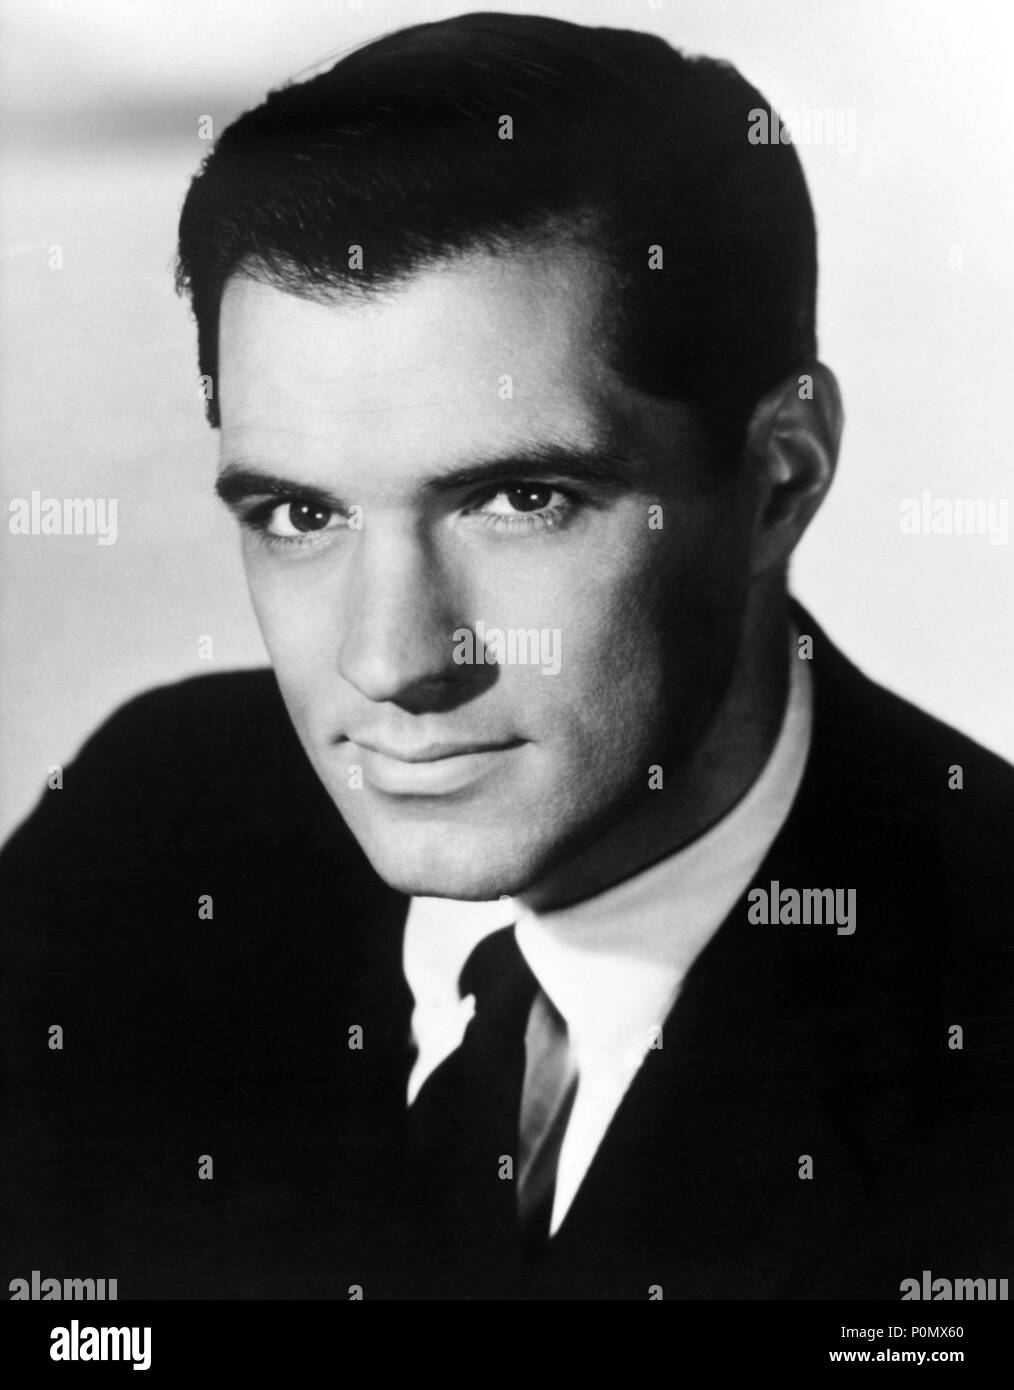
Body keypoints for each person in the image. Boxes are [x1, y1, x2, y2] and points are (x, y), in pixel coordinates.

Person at [2, 12, 1012, 1301]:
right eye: (300, 515)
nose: (389, 662)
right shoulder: (149, 830)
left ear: (778, 477)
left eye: (521, 499)